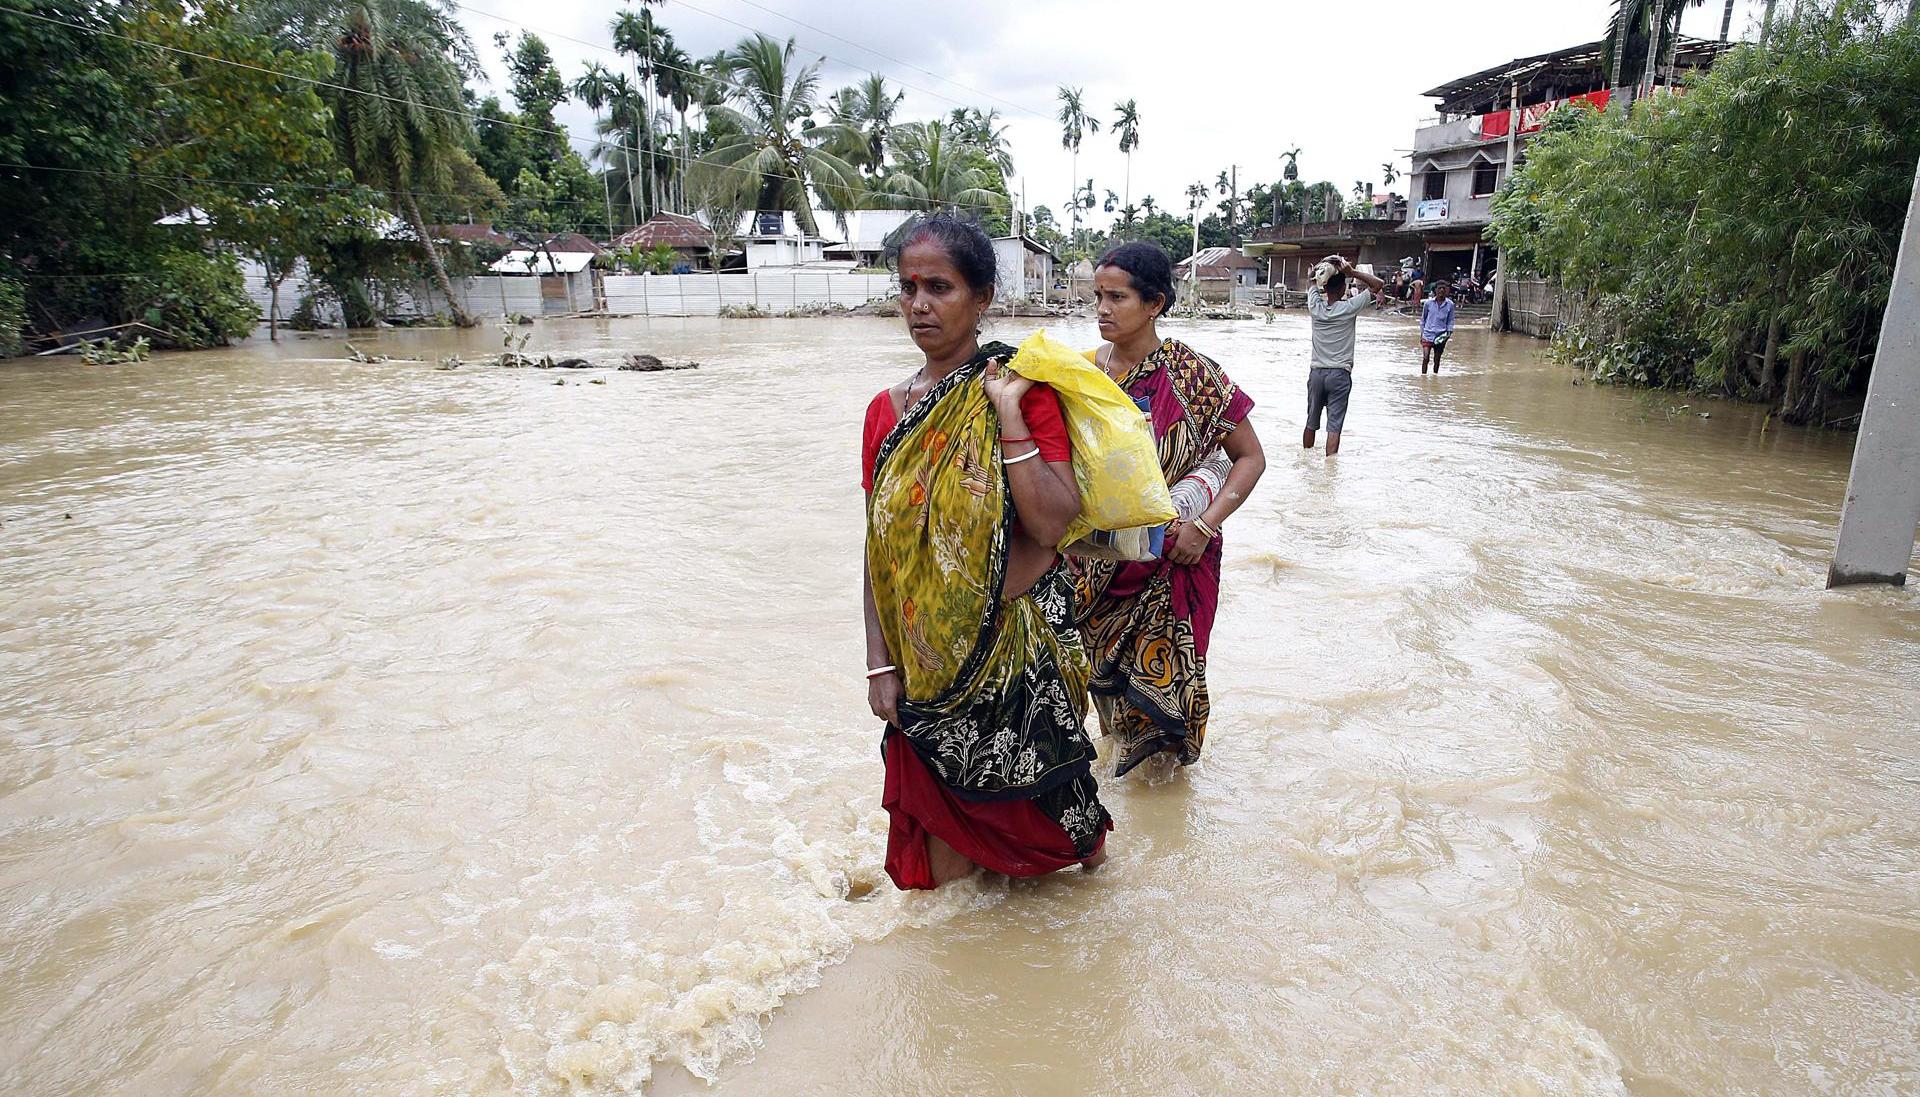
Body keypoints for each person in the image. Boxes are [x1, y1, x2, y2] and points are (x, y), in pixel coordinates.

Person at [861, 212, 1111, 890]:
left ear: (982, 298)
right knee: (946, 886)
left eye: (938, 287)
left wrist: (1005, 414)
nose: (918, 304)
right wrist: (878, 664)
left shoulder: (1022, 389)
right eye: (908, 287)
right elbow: (880, 551)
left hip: (1020, 658)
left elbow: (1053, 522)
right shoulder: (887, 413)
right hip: (926, 669)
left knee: (1071, 849)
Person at [1076, 242, 1266, 780]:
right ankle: (1123, 788)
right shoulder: (1083, 376)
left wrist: (1205, 526)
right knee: (1106, 697)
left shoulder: (1195, 377)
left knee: (1166, 703)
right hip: (1098, 564)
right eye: (1098, 296)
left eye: (1117, 297)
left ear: (1155, 303)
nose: (1103, 309)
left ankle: (1164, 804)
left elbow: (1250, 459)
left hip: (1178, 556)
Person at [1304, 255, 1384, 456]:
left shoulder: (1315, 307)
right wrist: (1352, 272)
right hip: (1339, 375)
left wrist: (1316, 273)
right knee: (1334, 426)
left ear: (1325, 288)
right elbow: (1378, 285)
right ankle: (1329, 468)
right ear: (1343, 290)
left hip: (1316, 374)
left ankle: (1305, 460)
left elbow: (1311, 281)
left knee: (1311, 422)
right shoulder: (1349, 308)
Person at [1421, 279, 1456, 374]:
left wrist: (1448, 333)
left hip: (1441, 335)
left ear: (1446, 291)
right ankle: (1423, 377)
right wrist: (1422, 334)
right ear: (1435, 290)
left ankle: (1434, 376)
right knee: (1425, 357)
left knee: (1437, 359)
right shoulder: (1428, 303)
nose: (1441, 290)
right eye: (1439, 288)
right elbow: (1423, 320)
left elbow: (1451, 320)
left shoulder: (1450, 305)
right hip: (1427, 334)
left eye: (1444, 288)